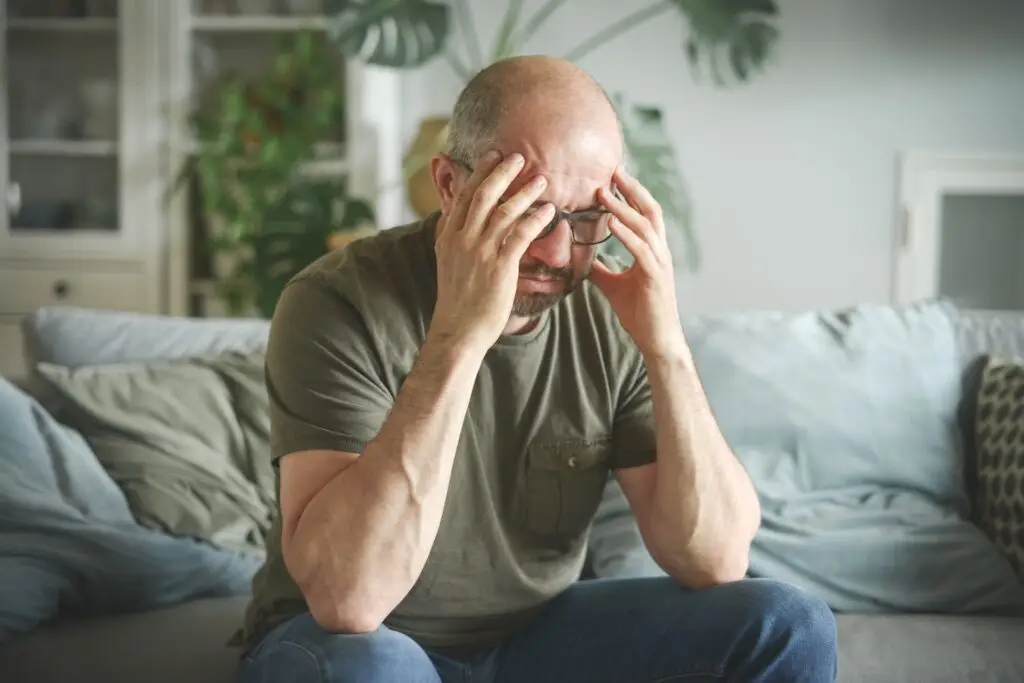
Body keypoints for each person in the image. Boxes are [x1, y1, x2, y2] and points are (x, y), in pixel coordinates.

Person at [235, 55, 838, 683]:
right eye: (530, 213)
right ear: (449, 184)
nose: (556, 253)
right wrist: (460, 337)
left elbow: (713, 561)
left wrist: (666, 347)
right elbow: (347, 599)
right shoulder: (336, 301)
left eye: (584, 220)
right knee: (376, 670)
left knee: (786, 622)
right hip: (350, 643)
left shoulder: (609, 310)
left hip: (535, 635)